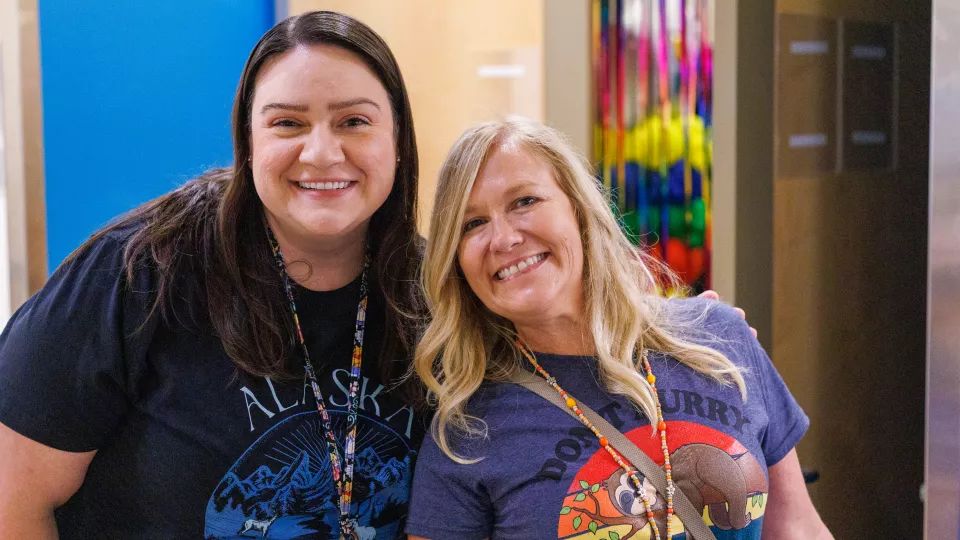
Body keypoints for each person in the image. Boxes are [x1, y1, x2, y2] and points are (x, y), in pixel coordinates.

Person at [0, 11, 428, 539]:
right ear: (248, 145)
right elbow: (13, 502)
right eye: (287, 123)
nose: (321, 152)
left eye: (354, 121)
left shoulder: (434, 293)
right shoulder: (137, 270)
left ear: (399, 139)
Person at [406, 118, 832, 540]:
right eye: (472, 224)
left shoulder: (719, 337)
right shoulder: (467, 430)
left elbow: (797, 527)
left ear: (579, 209)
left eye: (524, 201)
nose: (503, 238)